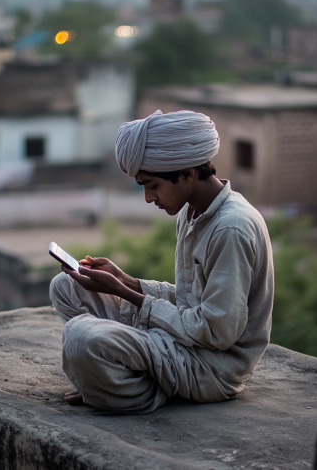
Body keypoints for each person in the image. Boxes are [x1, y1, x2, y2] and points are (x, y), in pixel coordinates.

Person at [50, 109, 274, 414]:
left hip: (209, 367)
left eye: (152, 185)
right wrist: (125, 281)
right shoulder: (191, 210)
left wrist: (126, 293)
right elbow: (190, 300)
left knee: (79, 339)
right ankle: (119, 379)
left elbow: (217, 332)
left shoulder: (230, 227)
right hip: (184, 343)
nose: (148, 198)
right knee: (66, 285)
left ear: (187, 174)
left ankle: (133, 391)